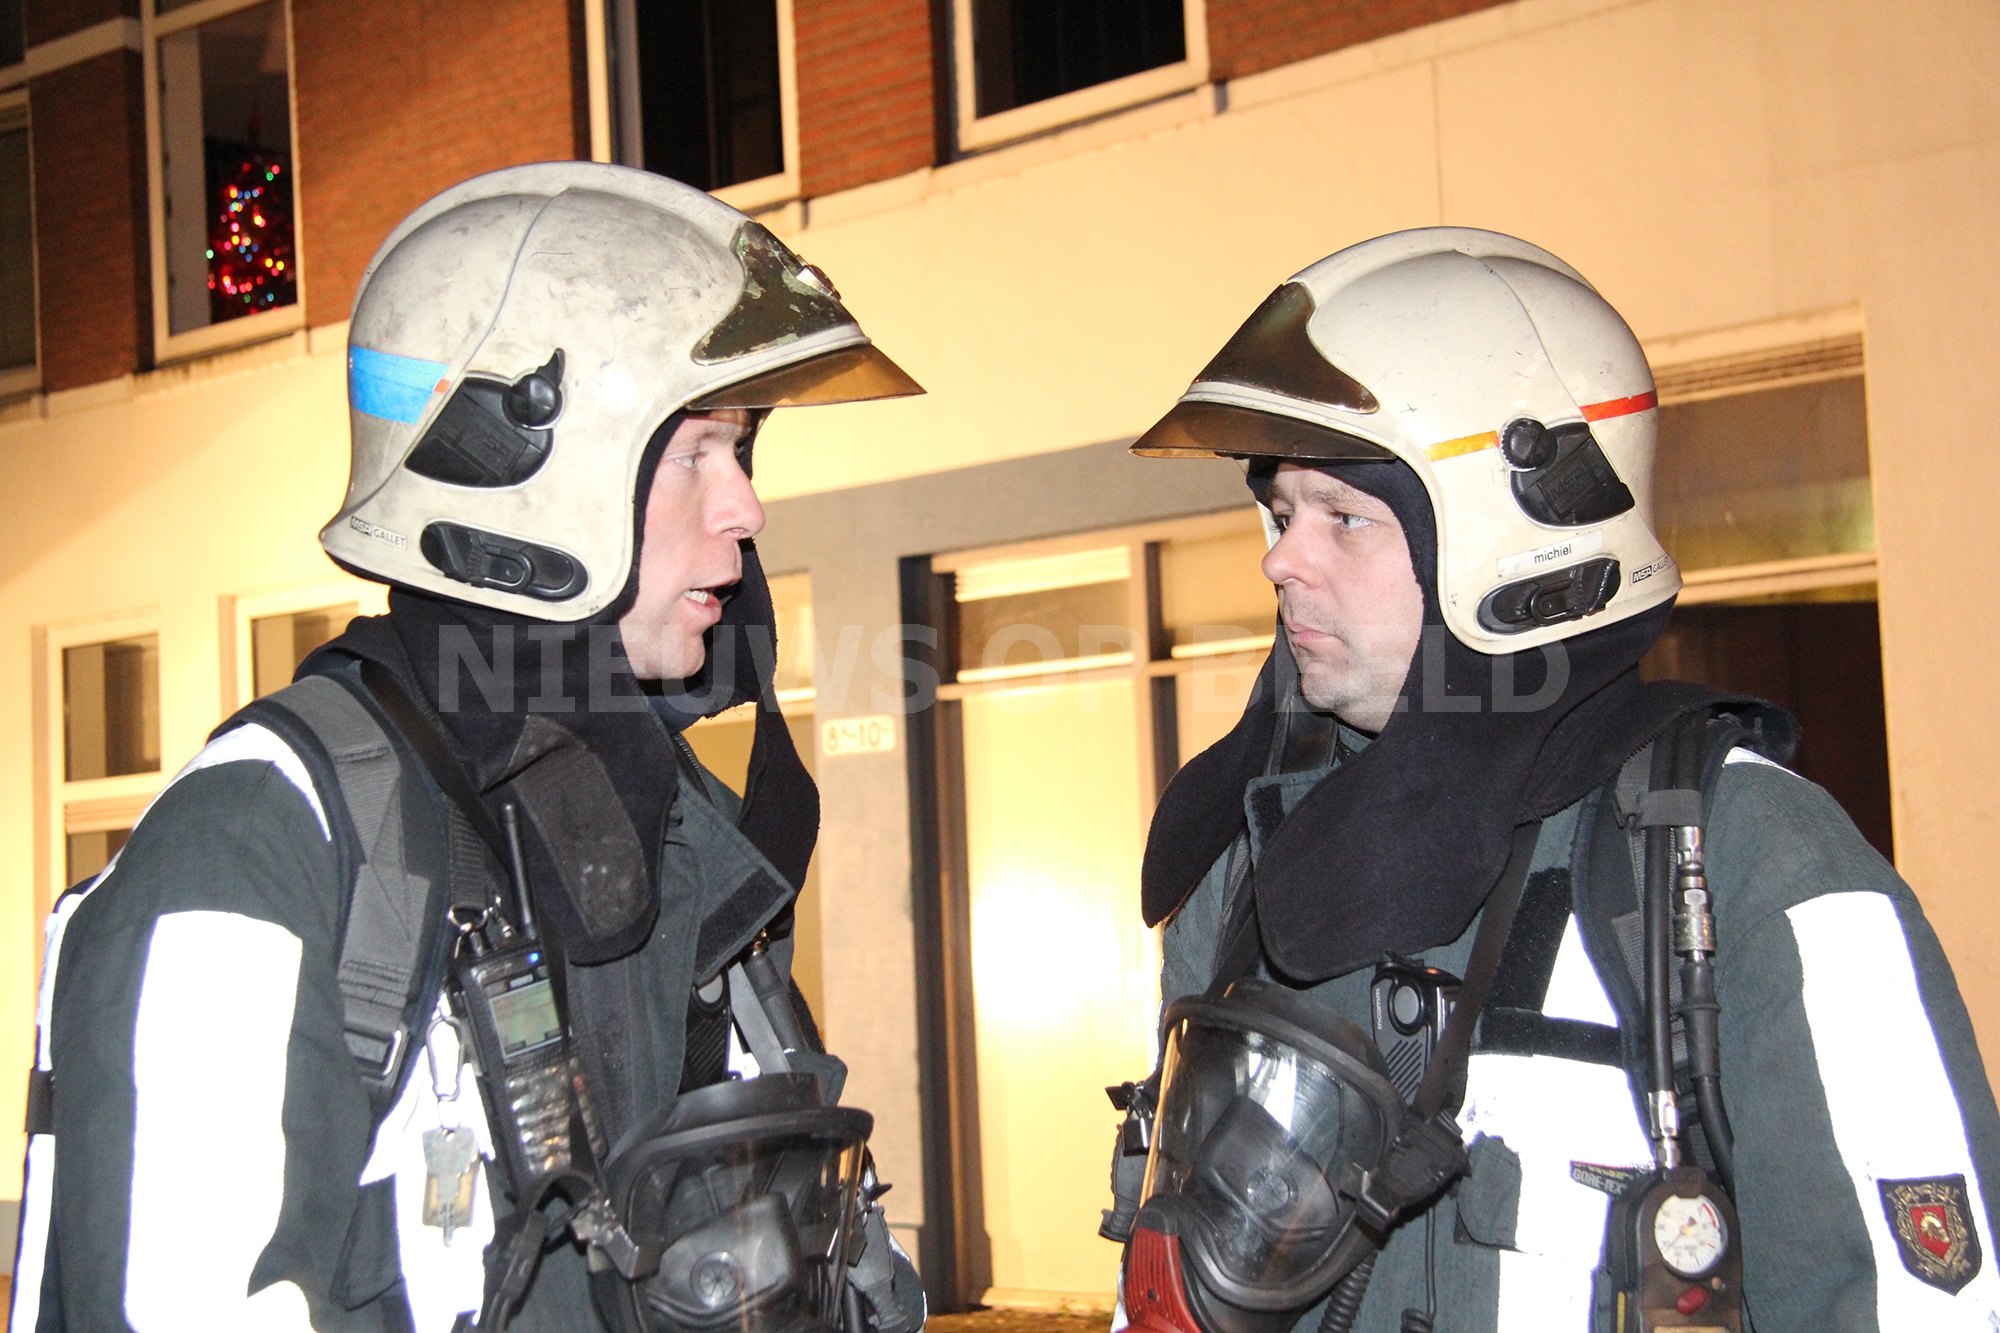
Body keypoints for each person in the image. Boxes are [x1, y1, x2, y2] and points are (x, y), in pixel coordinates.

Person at [13, 163, 930, 1333]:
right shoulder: (262, 840)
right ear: (516, 473)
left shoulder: (678, 828)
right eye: (696, 452)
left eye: (742, 453)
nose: (743, 509)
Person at [1103, 228, 2000, 1333]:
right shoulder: (1246, 857)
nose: (1280, 558)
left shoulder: (1743, 864)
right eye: (1282, 513)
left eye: (1344, 518)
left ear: (1512, 542)